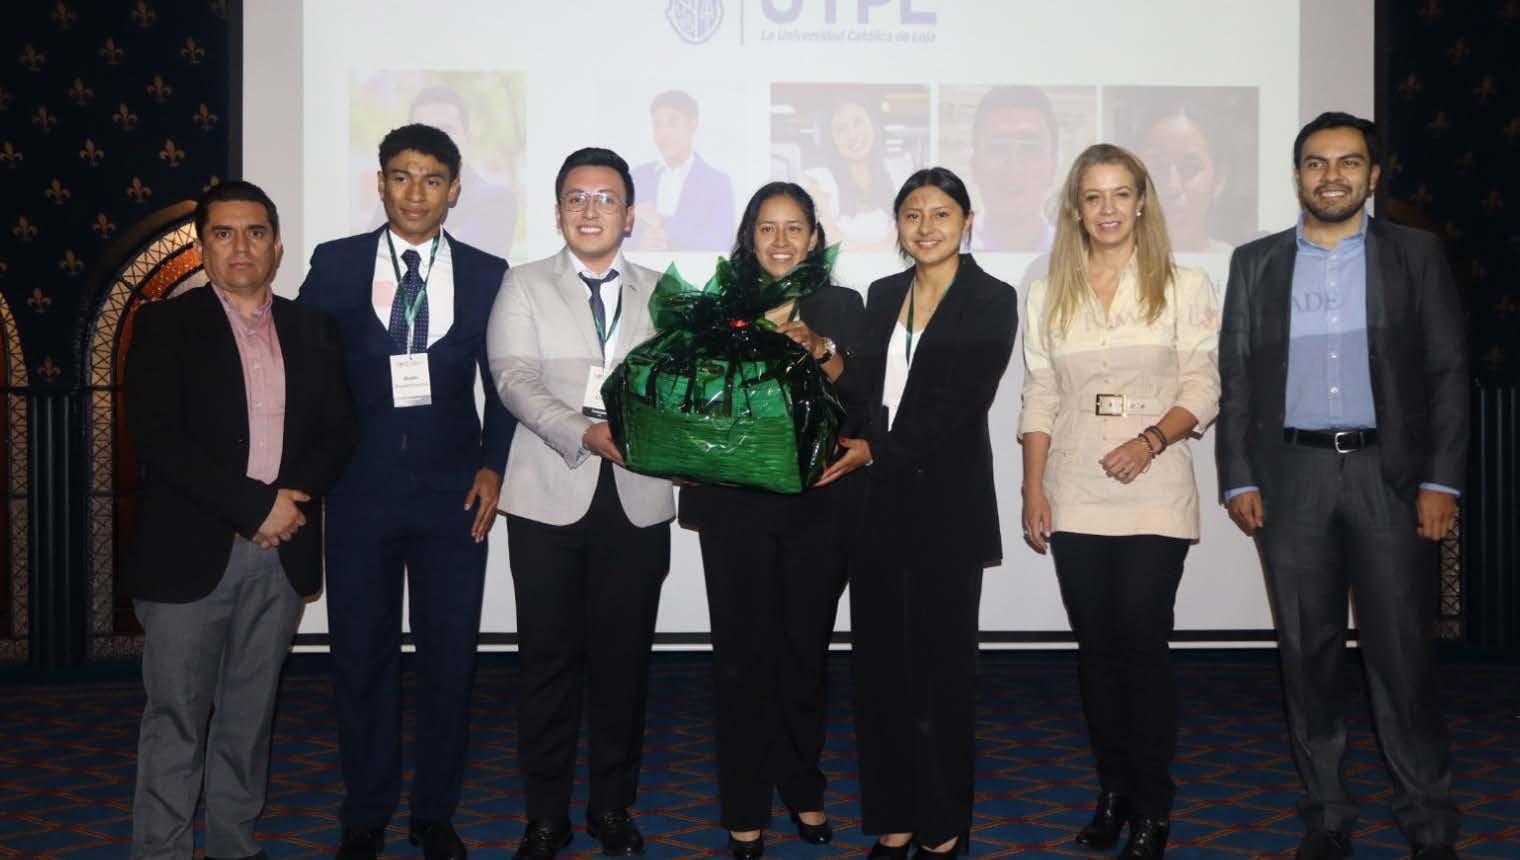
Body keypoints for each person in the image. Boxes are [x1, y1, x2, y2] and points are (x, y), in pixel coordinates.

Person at [1216, 112, 1466, 860]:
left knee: (1402, 657)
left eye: (1348, 162)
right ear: (1298, 176)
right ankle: (1326, 812)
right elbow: (1236, 378)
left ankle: (1428, 817)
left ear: (1373, 175)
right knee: (1307, 655)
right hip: (1290, 478)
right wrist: (1238, 477)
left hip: (1389, 479)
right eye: (1316, 163)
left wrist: (1442, 481)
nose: (1332, 176)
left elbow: (1448, 371)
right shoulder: (1255, 263)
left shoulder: (1414, 255)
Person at [299, 123, 515, 860]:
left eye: (431, 179)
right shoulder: (335, 264)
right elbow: (307, 374)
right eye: (401, 176)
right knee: (360, 657)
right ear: (381, 184)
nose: (415, 192)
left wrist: (494, 466)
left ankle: (434, 813)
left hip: (455, 497)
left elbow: (503, 386)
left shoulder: (488, 273)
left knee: (450, 659)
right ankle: (365, 812)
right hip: (359, 492)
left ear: (454, 190)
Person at [124, 180, 356, 860]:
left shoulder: (312, 328)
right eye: (223, 234)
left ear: (277, 246)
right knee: (176, 717)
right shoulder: (165, 326)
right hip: (190, 554)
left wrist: (288, 504)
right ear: (203, 248)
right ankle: (161, 850)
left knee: (249, 717)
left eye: (255, 232)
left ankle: (233, 845)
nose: (241, 246)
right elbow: (158, 439)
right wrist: (256, 507)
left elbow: (339, 430)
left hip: (280, 553)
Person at [1018, 143, 1221, 860]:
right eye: (1093, 196)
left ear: (1141, 203)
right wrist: (1032, 487)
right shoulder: (1047, 292)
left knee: (1142, 644)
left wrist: (1151, 440)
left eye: (1120, 194)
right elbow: (1041, 394)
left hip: (1154, 484)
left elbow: (1203, 386)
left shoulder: (1184, 284)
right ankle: (1114, 794)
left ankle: (1154, 805)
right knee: (1097, 652)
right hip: (1073, 485)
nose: (1107, 209)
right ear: (1077, 209)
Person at [822, 167, 1018, 858]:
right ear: (898, 225)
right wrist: (825, 359)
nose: (926, 226)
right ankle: (895, 817)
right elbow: (864, 392)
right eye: (912, 214)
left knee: (940, 675)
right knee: (879, 672)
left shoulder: (993, 299)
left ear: (967, 221)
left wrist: (876, 449)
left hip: (946, 509)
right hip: (876, 506)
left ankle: (942, 826)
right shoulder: (882, 295)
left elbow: (958, 403)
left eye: (940, 213)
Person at [486, 147, 675, 860]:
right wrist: (585, 432)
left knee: (624, 665)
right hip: (547, 502)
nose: (590, 210)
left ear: (630, 216)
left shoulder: (666, 293)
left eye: (606, 199)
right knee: (547, 665)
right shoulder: (524, 284)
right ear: (559, 210)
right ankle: (546, 815)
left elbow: (683, 387)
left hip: (637, 500)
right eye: (577, 198)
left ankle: (611, 808)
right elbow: (513, 379)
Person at [677, 182, 867, 858]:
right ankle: (744, 805)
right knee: (741, 659)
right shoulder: (715, 306)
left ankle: (803, 787)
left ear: (814, 238)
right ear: (748, 237)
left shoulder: (843, 305)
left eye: (794, 228)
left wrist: (820, 348)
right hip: (735, 505)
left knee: (803, 656)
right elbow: (691, 396)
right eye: (767, 228)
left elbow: (860, 393)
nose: (781, 241)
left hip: (817, 504)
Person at [361, 85, 521, 259]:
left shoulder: (495, 202)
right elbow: (365, 260)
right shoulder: (394, 199)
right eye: (423, 132)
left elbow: (463, 263)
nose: (433, 142)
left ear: (467, 137)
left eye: (447, 131)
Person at [630, 89, 736, 251]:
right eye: (658, 125)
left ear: (693, 125)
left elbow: (721, 242)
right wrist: (639, 245)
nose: (664, 134)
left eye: (672, 122)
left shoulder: (717, 183)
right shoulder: (637, 178)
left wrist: (663, 224)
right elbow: (614, 237)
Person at [967, 86, 1060, 253]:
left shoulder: (1072, 253)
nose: (1013, 169)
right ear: (975, 167)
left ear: (1052, 168)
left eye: (1030, 149)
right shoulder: (949, 251)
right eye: (998, 149)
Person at [803, 99, 900, 250]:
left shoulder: (896, 176)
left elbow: (903, 237)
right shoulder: (820, 182)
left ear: (873, 126)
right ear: (832, 140)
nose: (852, 135)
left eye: (858, 122)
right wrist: (882, 248)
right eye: (841, 129)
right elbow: (831, 241)